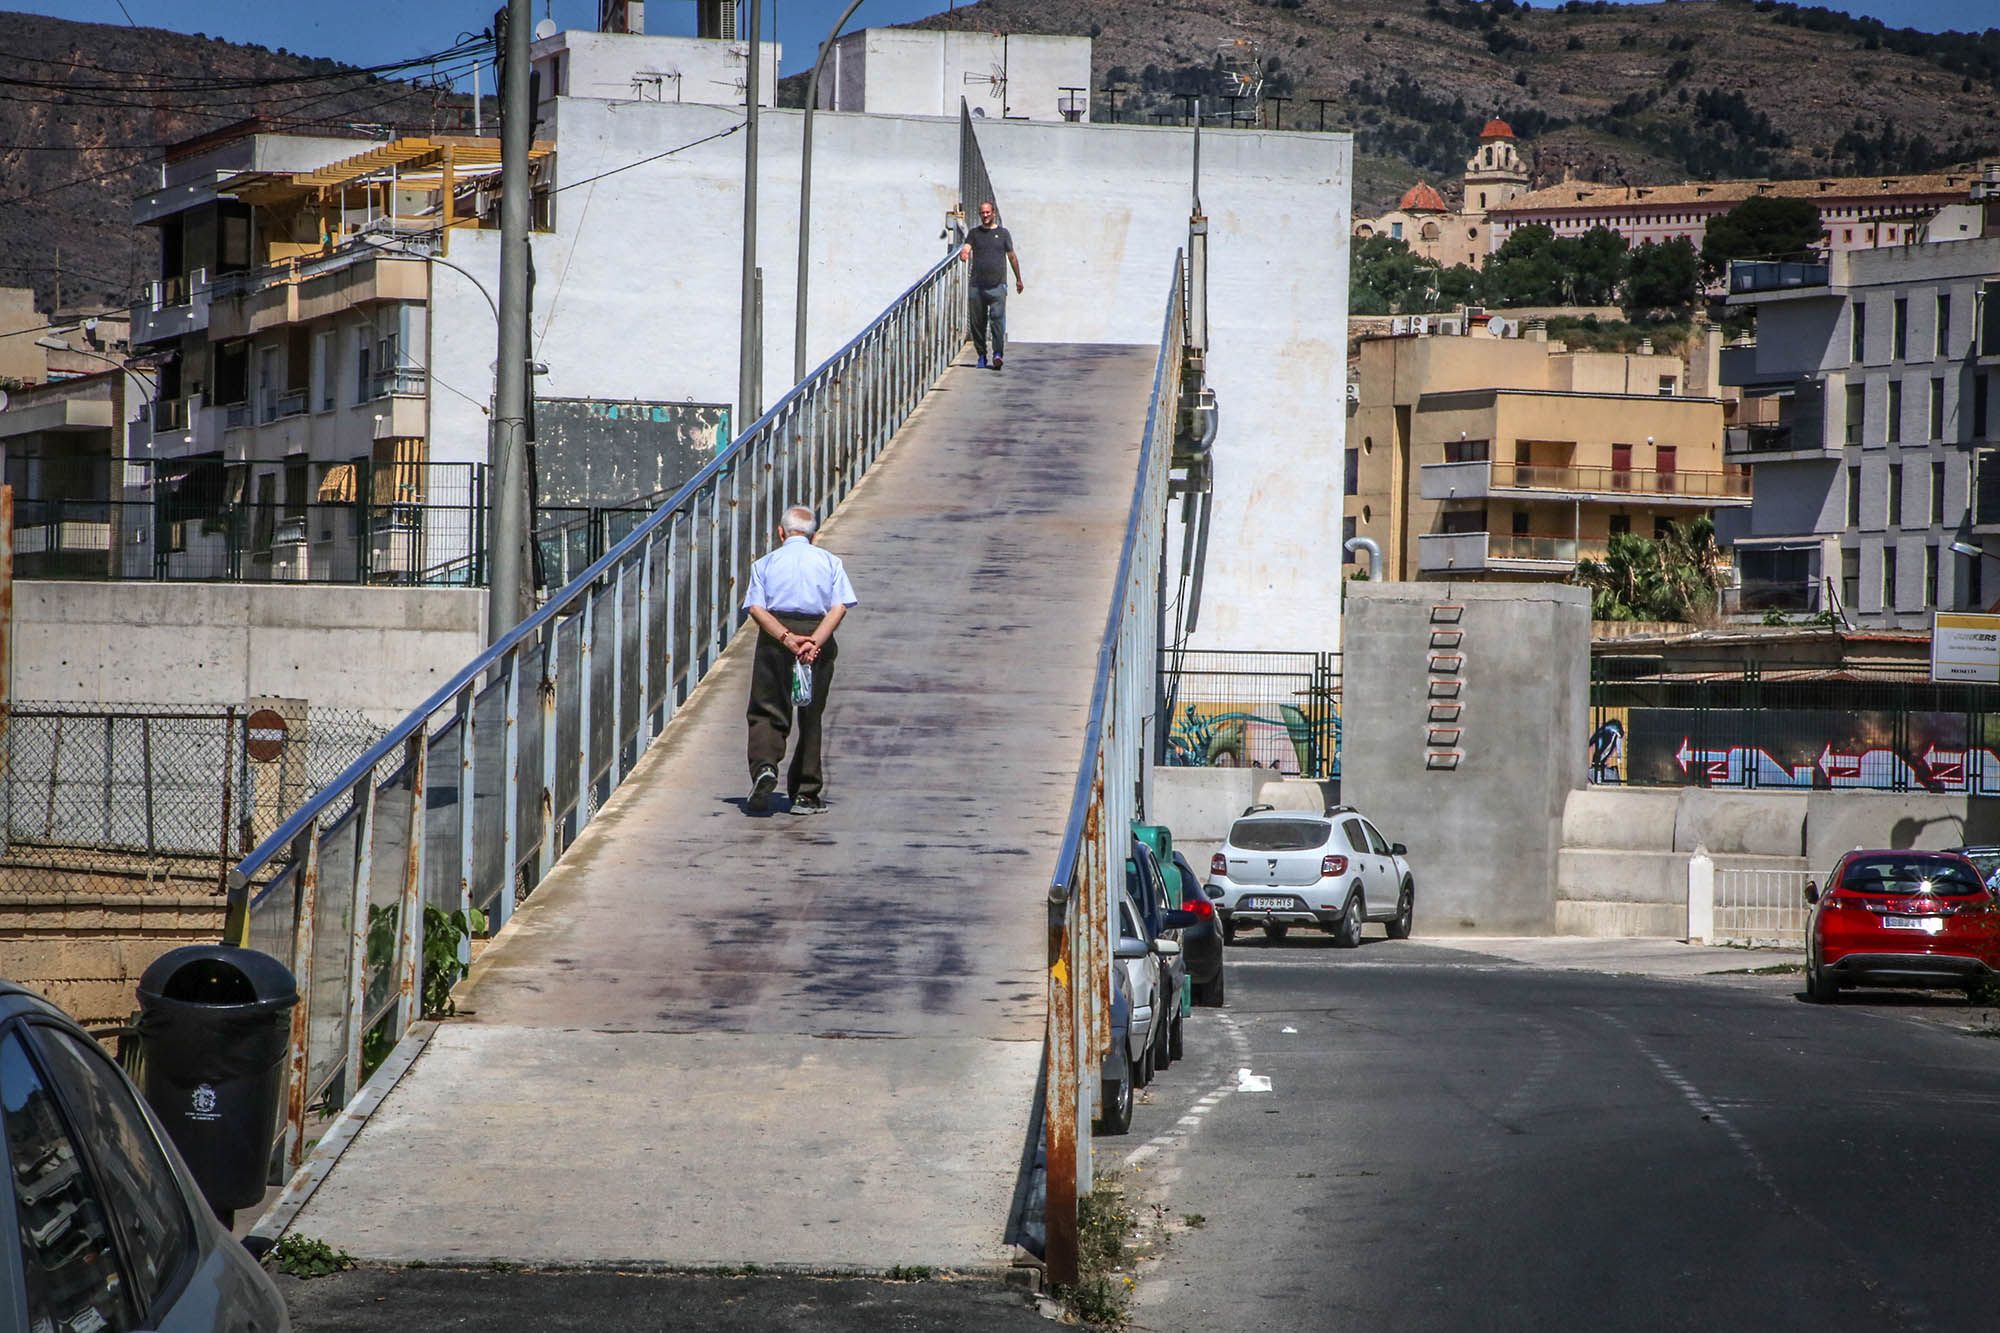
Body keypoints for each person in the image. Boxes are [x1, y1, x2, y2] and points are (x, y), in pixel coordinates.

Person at [741, 505, 858, 814]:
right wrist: (814, 642)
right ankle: (806, 793)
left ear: (781, 533)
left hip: (776, 635)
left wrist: (787, 639)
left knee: (767, 707)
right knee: (811, 713)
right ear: (813, 536)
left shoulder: (765, 564)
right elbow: (839, 607)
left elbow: (756, 608)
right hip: (816, 635)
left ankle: (765, 767)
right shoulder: (830, 562)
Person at [957, 199, 1024, 370]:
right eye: (982, 213)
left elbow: (1012, 257)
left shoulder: (1003, 234)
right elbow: (966, 247)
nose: (985, 215)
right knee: (977, 324)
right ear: (980, 214)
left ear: (993, 213)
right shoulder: (974, 233)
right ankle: (981, 355)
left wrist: (1018, 279)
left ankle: (997, 354)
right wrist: (964, 253)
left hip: (997, 286)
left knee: (997, 321)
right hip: (977, 286)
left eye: (988, 212)